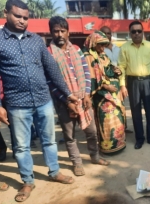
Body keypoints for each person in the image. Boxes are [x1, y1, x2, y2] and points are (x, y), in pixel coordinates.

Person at [0, 0, 76, 202]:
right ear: (6, 13)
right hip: (17, 103)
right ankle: (27, 181)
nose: (22, 21)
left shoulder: (36, 40)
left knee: (49, 140)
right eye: (17, 16)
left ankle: (54, 171)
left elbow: (52, 69)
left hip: (43, 100)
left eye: (25, 18)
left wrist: (67, 93)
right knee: (21, 147)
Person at [48, 16, 110, 176]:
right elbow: (50, 83)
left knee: (91, 131)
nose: (60, 34)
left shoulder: (76, 50)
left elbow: (86, 73)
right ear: (51, 33)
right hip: (64, 103)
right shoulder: (49, 53)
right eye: (56, 31)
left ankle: (95, 156)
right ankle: (77, 163)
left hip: (84, 100)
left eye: (63, 31)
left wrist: (87, 95)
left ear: (68, 32)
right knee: (70, 136)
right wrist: (66, 101)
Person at [118, 21, 150, 149]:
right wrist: (122, 85)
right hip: (132, 82)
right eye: (133, 31)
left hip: (147, 82)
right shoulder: (124, 48)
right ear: (130, 33)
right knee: (135, 112)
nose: (136, 33)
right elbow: (122, 67)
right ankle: (139, 139)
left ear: (143, 32)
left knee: (149, 111)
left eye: (139, 31)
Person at [82, 30, 126, 154]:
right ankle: (108, 148)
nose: (103, 48)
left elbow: (108, 71)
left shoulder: (103, 55)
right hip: (101, 97)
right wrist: (106, 87)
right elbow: (90, 80)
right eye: (100, 45)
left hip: (112, 94)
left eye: (104, 45)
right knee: (106, 122)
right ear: (93, 43)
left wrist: (116, 71)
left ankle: (119, 144)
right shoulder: (88, 57)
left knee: (116, 120)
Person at [100, 26, 133, 134]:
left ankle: (123, 128)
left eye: (109, 33)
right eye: (104, 33)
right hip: (105, 83)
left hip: (119, 82)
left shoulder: (118, 49)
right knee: (108, 107)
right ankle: (109, 131)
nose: (107, 36)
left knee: (121, 105)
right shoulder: (98, 50)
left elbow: (124, 65)